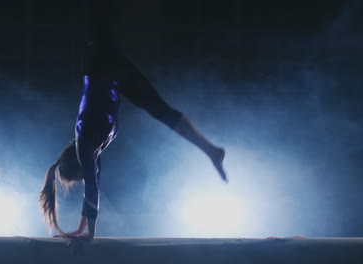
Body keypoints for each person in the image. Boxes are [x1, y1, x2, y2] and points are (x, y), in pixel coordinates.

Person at [39, 0, 227, 244]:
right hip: (114, 77)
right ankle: (211, 150)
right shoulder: (94, 151)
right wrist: (81, 228)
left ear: (79, 167)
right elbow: (93, 188)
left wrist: (90, 234)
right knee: (161, 110)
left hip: (99, 62)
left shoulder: (85, 145)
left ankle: (212, 151)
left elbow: (92, 190)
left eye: (81, 176)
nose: (87, 177)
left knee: (99, 12)